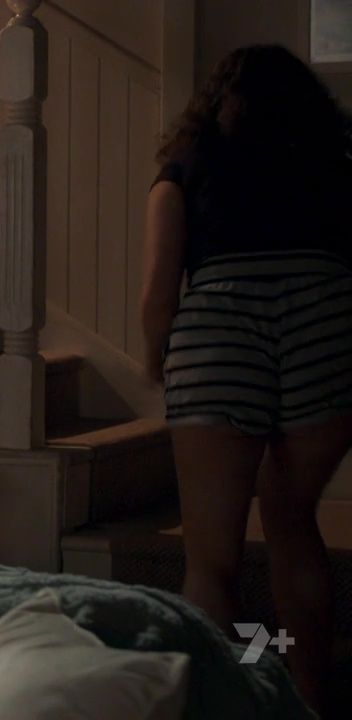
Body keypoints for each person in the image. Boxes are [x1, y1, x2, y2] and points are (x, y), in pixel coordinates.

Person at [141, 44, 352, 716]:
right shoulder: (338, 164)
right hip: (326, 322)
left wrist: (154, 357)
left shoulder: (186, 166)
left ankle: (231, 702)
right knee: (292, 521)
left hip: (220, 334)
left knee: (211, 561)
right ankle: (310, 697)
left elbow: (159, 292)